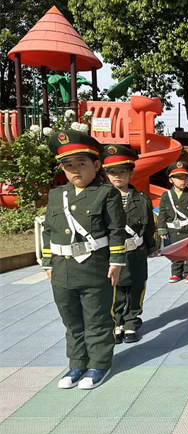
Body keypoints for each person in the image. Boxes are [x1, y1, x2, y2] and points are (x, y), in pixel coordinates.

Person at [42, 130, 126, 389]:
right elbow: (48, 230)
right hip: (62, 270)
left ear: (96, 165)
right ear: (62, 169)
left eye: (81, 163)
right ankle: (77, 363)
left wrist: (116, 261)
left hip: (94, 268)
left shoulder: (106, 193)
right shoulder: (57, 195)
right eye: (68, 165)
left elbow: (116, 230)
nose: (75, 170)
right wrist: (47, 263)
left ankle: (99, 364)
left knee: (97, 319)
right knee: (71, 321)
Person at [102, 145, 157, 344]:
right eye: (112, 172)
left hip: (136, 253)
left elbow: (149, 226)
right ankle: (116, 323)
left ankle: (131, 322)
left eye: (122, 171)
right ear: (106, 174)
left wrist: (152, 247)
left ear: (131, 173)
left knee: (136, 288)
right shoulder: (101, 199)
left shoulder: (142, 199)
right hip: (112, 254)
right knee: (115, 290)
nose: (117, 176)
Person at [157, 161, 188, 283]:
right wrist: (161, 229)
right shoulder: (166, 195)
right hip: (174, 230)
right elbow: (163, 213)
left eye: (185, 178)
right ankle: (176, 272)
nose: (182, 181)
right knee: (176, 251)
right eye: (178, 178)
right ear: (171, 180)